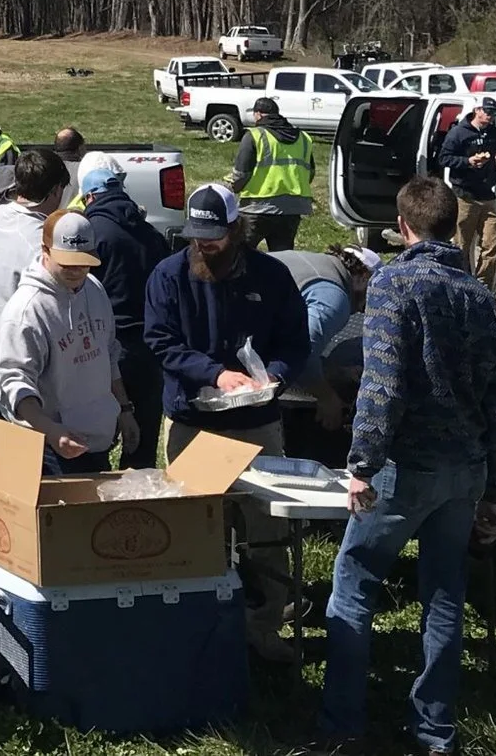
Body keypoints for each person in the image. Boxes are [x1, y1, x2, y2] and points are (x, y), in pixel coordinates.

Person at [315, 177, 496, 756]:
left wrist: (361, 465)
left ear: (402, 228)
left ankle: (343, 727)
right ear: (454, 225)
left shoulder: (393, 284)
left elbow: (383, 383)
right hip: (466, 469)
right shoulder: (482, 297)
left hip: (406, 467)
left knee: (354, 584)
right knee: (445, 596)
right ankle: (434, 731)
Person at [144, 181, 310, 659]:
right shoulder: (168, 276)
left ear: (237, 230)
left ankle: (263, 630)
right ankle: (199, 631)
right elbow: (160, 341)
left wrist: (271, 377)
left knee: (267, 531)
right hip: (193, 423)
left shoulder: (272, 277)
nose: (204, 245)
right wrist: (215, 375)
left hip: (257, 425)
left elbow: (294, 344)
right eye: (197, 237)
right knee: (197, 529)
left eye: (213, 237)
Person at [0, 147, 73, 560]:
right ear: (53, 192)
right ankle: (21, 562)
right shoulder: (38, 242)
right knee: (27, 484)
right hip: (23, 378)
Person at [0, 210, 135, 472]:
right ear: (45, 250)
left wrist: (124, 409)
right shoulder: (27, 310)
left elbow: (108, 353)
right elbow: (14, 383)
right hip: (52, 451)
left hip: (96, 442)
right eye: (67, 262)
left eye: (83, 262)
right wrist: (52, 432)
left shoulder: (94, 289)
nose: (76, 270)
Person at [76, 154, 171, 468]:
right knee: (140, 449)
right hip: (148, 349)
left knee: (92, 445)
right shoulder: (150, 233)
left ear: (90, 196)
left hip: (103, 351)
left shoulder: (91, 234)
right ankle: (137, 512)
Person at [270, 244, 376, 430]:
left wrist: (334, 370)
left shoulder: (311, 262)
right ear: (363, 277)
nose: (363, 308)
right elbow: (302, 351)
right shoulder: (334, 298)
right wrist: (327, 398)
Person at [436, 102, 496, 292]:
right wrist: (467, 161)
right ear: (477, 111)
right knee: (462, 244)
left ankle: (482, 286)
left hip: (488, 195)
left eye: (493, 113)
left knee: (492, 243)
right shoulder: (458, 133)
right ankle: (460, 284)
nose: (490, 116)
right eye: (487, 112)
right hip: (465, 196)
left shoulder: (494, 133)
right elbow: (444, 158)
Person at [229, 97, 315, 253]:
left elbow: (241, 174)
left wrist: (233, 188)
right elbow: (310, 172)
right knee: (282, 257)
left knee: (241, 254)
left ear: (259, 115)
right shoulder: (303, 138)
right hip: (291, 210)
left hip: (257, 208)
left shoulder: (254, 136)